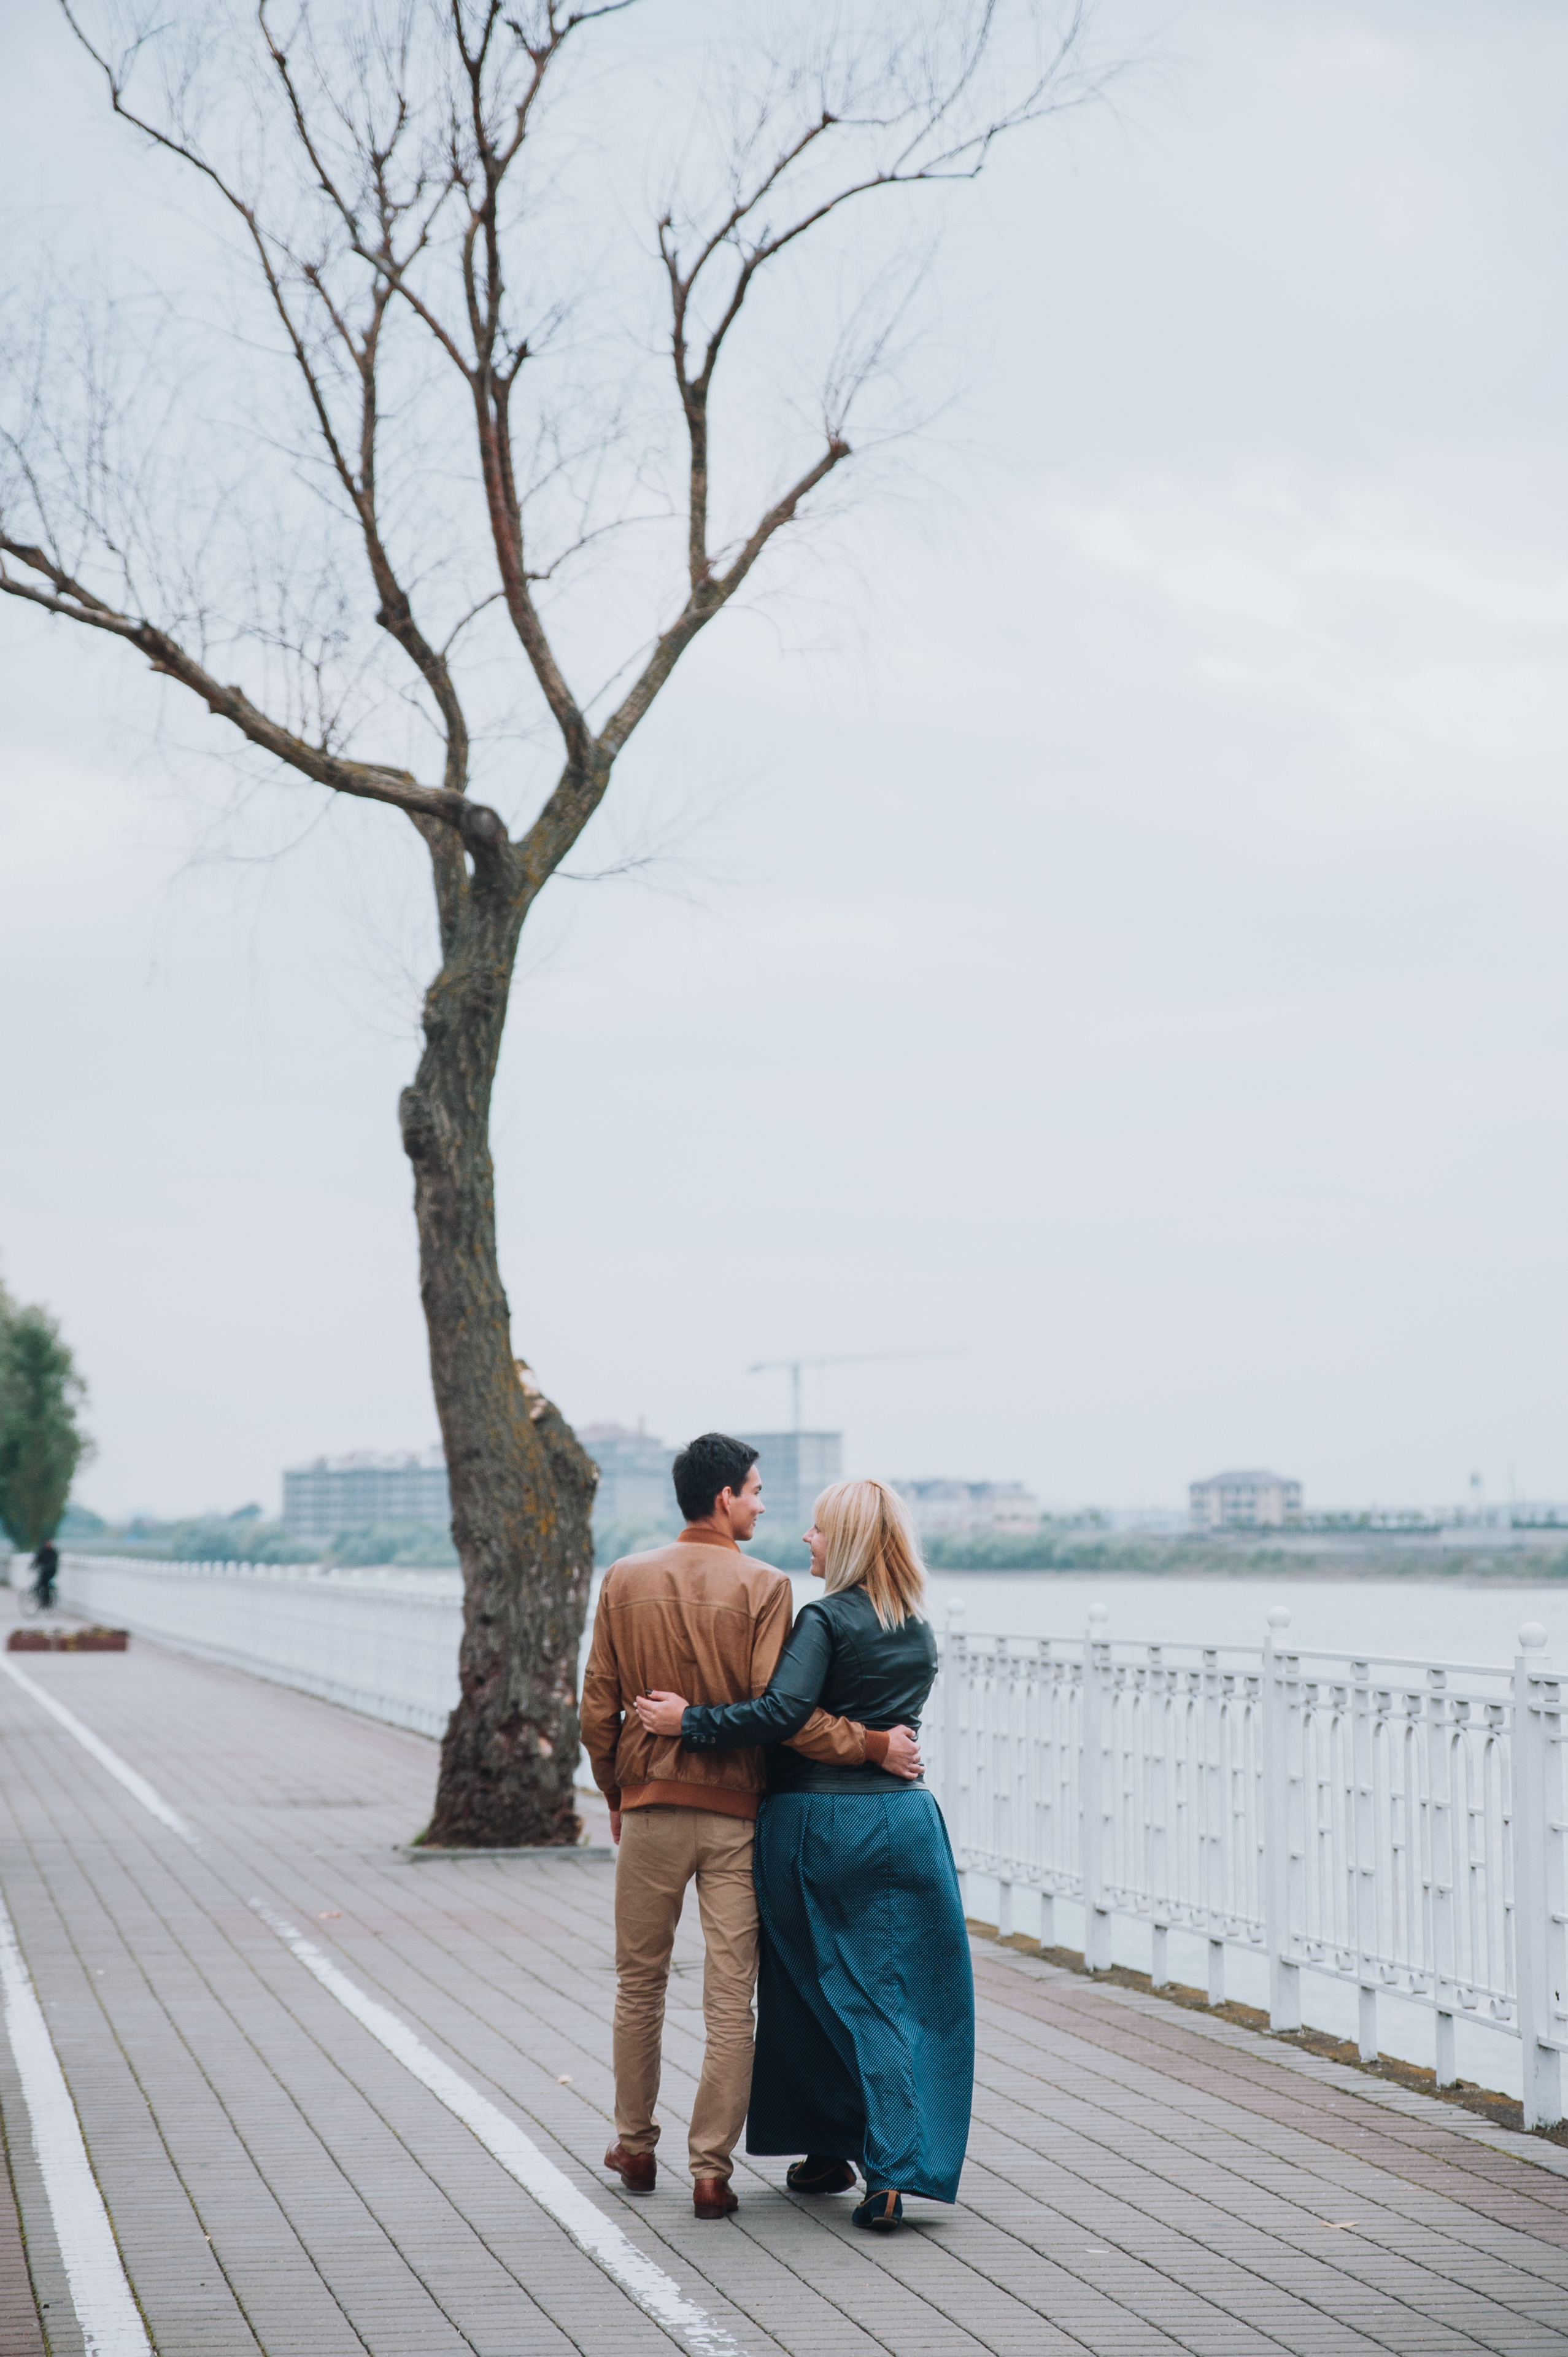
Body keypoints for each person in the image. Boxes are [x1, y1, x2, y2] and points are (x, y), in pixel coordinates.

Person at [579, 1433, 920, 2221]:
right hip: (737, 1819)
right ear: (724, 1497)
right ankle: (709, 2172)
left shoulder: (624, 1580)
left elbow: (596, 1707)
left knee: (640, 1984)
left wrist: (616, 1792)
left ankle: (634, 2147)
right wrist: (873, 1744)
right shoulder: (766, 1587)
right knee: (731, 2001)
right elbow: (787, 1718)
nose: (765, 1504)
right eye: (756, 1490)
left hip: (650, 1809)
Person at [635, 1477, 972, 2235]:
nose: (806, 1541)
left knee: (830, 1989)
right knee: (897, 1991)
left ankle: (890, 2171)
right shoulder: (915, 1626)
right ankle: (827, 2152)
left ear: (845, 1542)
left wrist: (688, 1720)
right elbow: (889, 1724)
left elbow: (784, 1714)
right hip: (906, 1822)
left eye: (818, 1531)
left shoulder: (823, 1619)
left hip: (816, 1823)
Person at [31, 1539, 58, 1609]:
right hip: (43, 1571)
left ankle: (46, 1601)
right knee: (40, 1583)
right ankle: (41, 1599)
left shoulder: (53, 1553)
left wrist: (48, 1567)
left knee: (45, 1583)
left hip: (50, 1571)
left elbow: (54, 1562)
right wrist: (32, 1566)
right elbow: (37, 1560)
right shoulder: (42, 1551)